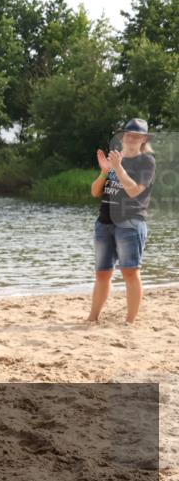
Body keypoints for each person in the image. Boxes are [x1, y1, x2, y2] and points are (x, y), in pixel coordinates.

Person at [87, 118, 156, 326]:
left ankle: (129, 321)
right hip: (104, 222)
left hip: (130, 222)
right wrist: (105, 171)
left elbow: (134, 190)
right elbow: (95, 192)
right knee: (102, 273)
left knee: (130, 271)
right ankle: (93, 317)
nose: (130, 138)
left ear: (143, 139)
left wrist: (117, 168)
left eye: (136, 135)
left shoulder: (146, 162)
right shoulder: (115, 159)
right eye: (127, 134)